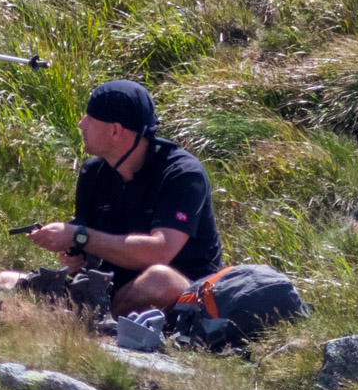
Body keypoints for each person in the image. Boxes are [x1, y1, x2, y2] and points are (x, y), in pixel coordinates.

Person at [28, 81, 224, 316]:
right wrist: (75, 258)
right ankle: (85, 317)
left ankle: (85, 319)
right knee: (4, 278)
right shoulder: (94, 173)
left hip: (187, 298)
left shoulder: (182, 174)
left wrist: (77, 235)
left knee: (159, 279)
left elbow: (160, 252)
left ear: (115, 130)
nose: (81, 125)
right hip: (115, 288)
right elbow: (90, 252)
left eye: (90, 118)